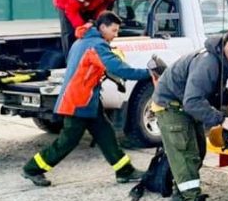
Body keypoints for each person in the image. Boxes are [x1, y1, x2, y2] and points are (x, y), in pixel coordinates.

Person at [21, 11, 155, 187]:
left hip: (87, 100)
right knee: (67, 141)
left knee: (106, 134)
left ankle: (125, 171)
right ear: (103, 27)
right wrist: (149, 73)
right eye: (114, 31)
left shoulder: (81, 41)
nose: (115, 35)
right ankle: (32, 169)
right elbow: (120, 69)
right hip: (79, 102)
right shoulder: (97, 45)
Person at [152, 27, 228, 201]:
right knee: (186, 157)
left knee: (198, 150)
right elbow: (192, 101)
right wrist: (221, 119)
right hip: (171, 107)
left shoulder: (221, 59)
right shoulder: (208, 63)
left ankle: (179, 199)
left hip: (184, 106)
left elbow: (215, 87)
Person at [53, 0, 119, 55]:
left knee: (92, 28)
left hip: (89, 1)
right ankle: (70, 58)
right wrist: (82, 28)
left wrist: (96, 23)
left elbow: (101, 10)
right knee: (70, 33)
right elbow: (71, 10)